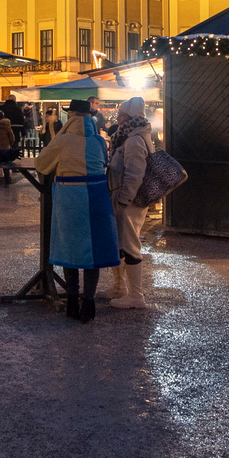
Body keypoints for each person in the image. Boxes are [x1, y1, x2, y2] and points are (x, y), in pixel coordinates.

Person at [35, 99, 120, 323]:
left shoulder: (62, 140)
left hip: (69, 197)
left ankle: (72, 301)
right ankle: (88, 303)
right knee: (93, 252)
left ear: (71, 115)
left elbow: (41, 165)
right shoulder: (100, 140)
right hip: (97, 196)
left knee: (69, 250)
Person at [104, 96, 155, 310]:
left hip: (128, 201)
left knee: (131, 246)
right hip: (121, 197)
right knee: (120, 244)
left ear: (130, 116)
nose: (118, 117)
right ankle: (119, 288)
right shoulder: (126, 136)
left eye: (121, 114)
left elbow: (135, 173)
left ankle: (136, 295)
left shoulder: (134, 140)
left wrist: (124, 198)